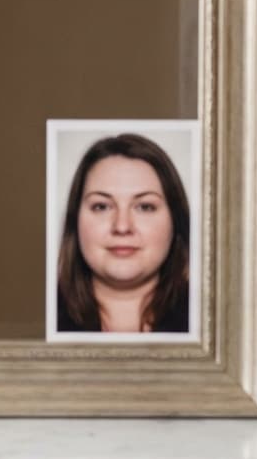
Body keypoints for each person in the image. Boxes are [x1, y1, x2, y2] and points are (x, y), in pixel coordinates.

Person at [55, 134, 191, 333]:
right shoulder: (35, 319)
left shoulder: (217, 323)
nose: (122, 226)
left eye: (145, 207)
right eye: (101, 206)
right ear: (75, 221)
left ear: (175, 221)